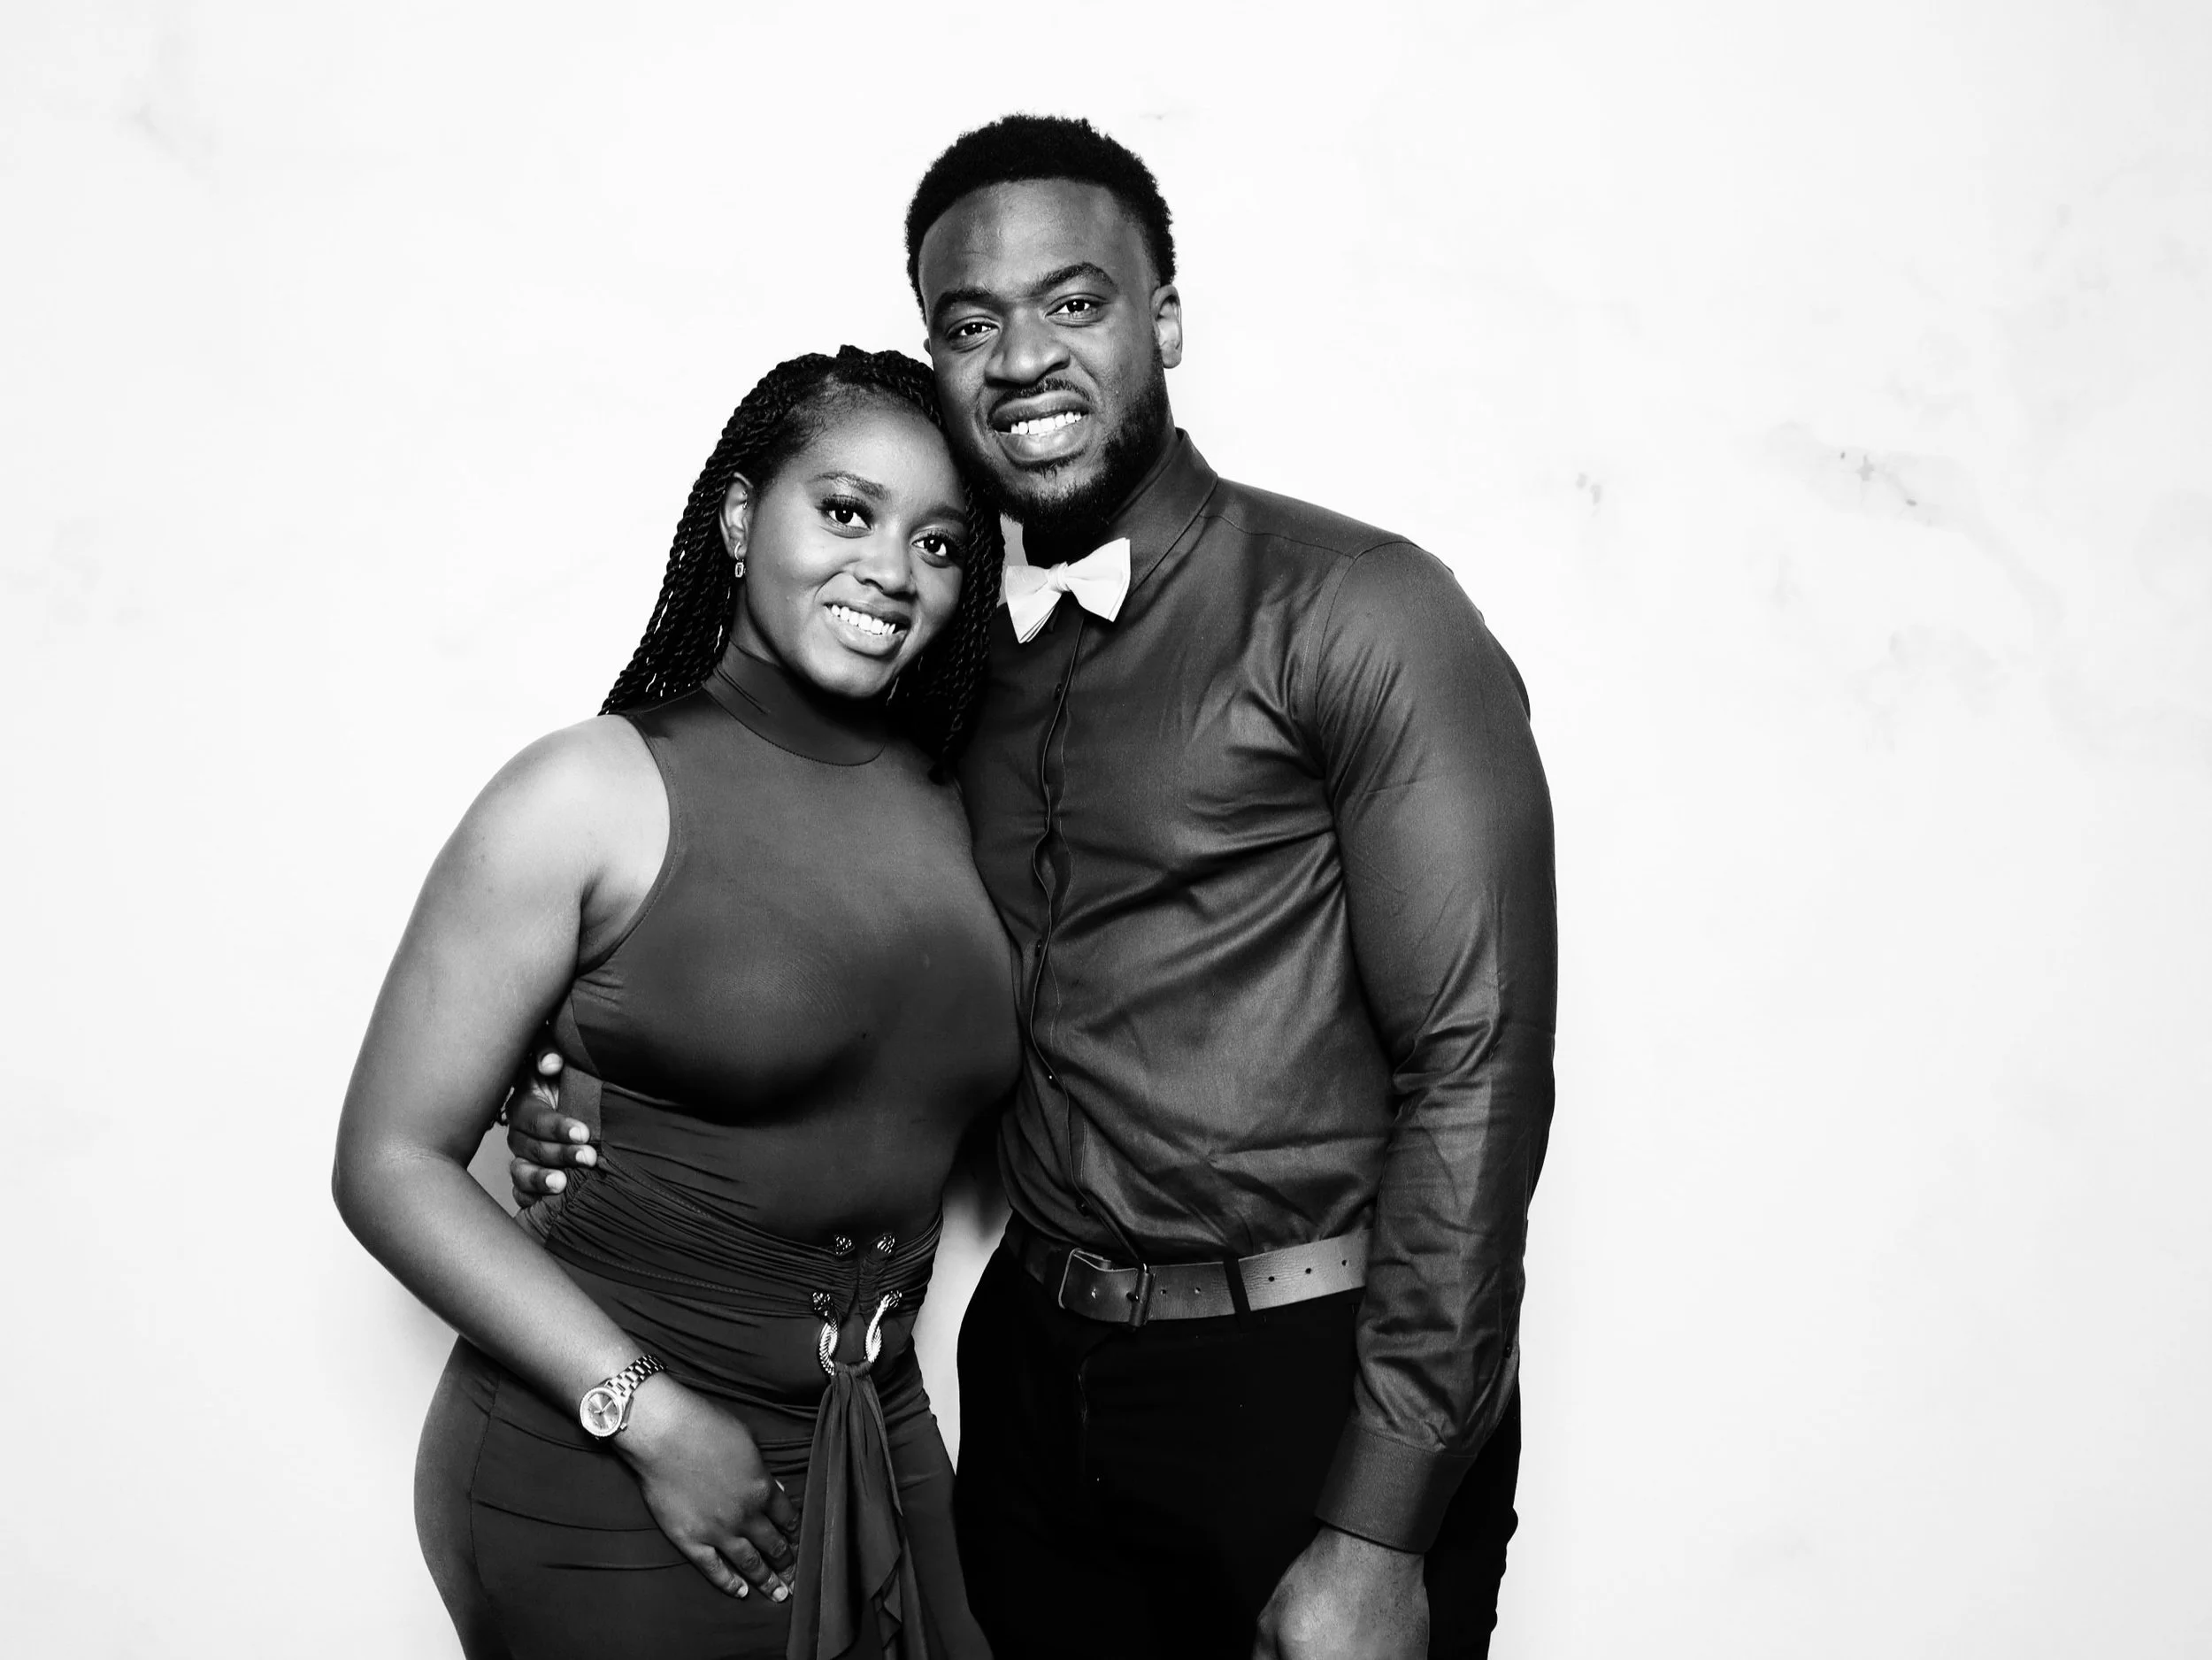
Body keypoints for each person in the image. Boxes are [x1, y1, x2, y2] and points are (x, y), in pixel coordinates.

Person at [511, 115, 1558, 1660]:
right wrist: (595, 1098)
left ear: (1167, 325)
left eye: (1076, 303)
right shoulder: (934, 666)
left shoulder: (1364, 611)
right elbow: (825, 961)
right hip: (1028, 1380)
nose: (1023, 359)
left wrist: (1378, 1522)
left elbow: (1477, 1065)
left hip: (1303, 1384)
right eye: (971, 321)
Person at [334, 346, 1016, 1660]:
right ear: (743, 515)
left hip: (877, 1437)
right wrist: (648, 1417)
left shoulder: (956, 802)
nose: (891, 569)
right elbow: (389, 1164)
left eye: (940, 543)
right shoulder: (587, 791)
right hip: (607, 1458)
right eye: (847, 512)